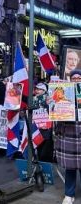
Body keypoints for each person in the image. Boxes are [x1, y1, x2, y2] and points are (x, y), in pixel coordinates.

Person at [55, 70, 81, 204]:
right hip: (68, 133)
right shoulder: (62, 93)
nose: (76, 79)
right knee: (70, 167)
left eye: (79, 78)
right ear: (70, 80)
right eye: (74, 78)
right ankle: (69, 195)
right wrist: (51, 103)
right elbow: (54, 112)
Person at [33, 82, 53, 162]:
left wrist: (47, 104)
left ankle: (45, 168)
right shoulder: (33, 99)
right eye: (37, 89)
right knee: (38, 147)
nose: (37, 91)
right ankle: (38, 164)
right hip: (37, 128)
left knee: (45, 152)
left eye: (40, 89)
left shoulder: (49, 99)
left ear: (44, 91)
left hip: (46, 129)